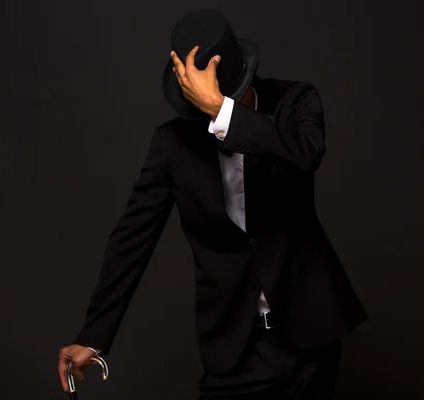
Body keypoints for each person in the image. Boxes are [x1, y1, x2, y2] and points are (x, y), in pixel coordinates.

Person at [58, 8, 367, 399]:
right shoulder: (172, 145)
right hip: (234, 350)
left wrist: (222, 110)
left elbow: (305, 154)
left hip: (311, 337)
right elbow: (132, 239)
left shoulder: (295, 102)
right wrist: (94, 336)